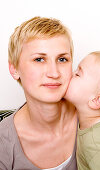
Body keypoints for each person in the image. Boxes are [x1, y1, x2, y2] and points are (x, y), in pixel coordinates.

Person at [0, 16, 78, 170]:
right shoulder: (3, 141)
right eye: (39, 59)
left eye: (62, 59)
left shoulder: (95, 119)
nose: (54, 73)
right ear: (14, 69)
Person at [65, 51, 100, 170]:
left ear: (96, 100)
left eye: (78, 74)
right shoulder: (92, 125)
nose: (71, 74)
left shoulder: (97, 145)